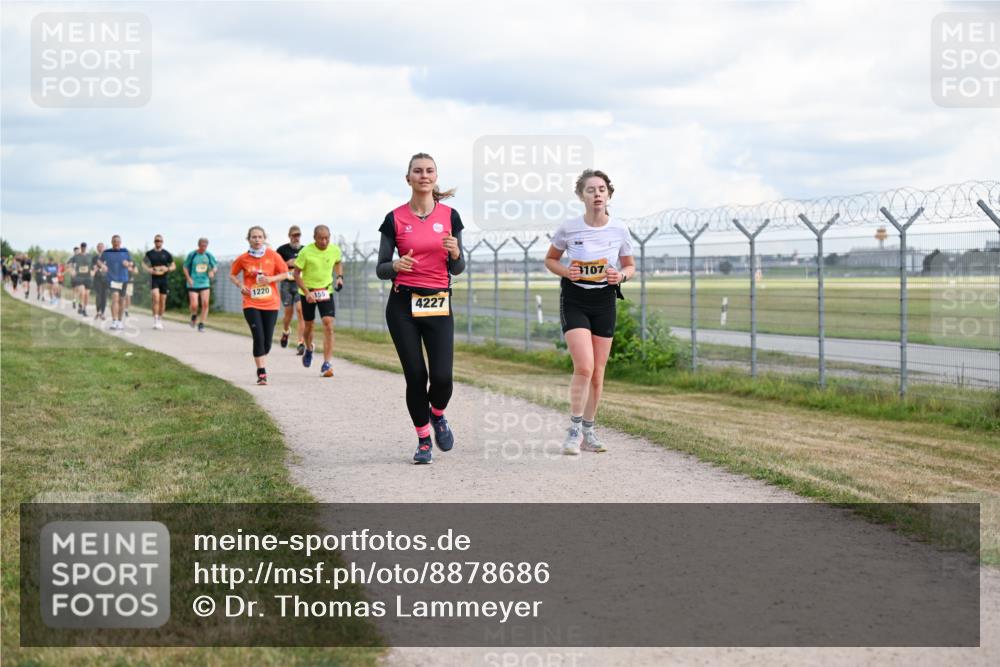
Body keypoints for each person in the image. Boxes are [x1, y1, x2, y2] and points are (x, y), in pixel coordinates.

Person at [375, 152, 465, 464]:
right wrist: (396, 264)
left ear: (435, 177)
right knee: (416, 375)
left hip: (438, 302)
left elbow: (459, 268)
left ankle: (437, 414)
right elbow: (381, 269)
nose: (424, 175)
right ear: (408, 178)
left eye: (429, 171)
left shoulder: (450, 217)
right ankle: (424, 439)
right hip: (403, 305)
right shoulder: (394, 218)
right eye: (418, 171)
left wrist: (455, 254)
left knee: (442, 378)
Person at [544, 169, 636, 456]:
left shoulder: (619, 229)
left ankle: (589, 430)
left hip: (604, 301)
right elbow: (550, 259)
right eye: (590, 190)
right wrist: (566, 271)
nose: (596, 194)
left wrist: (620, 277)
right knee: (584, 366)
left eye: (601, 189)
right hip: (575, 299)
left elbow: (630, 266)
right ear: (581, 196)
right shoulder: (570, 228)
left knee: (598, 373)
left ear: (609, 194)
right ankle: (572, 431)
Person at [229, 226, 289, 385]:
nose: (257, 240)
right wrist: (240, 285)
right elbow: (232, 275)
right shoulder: (243, 258)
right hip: (251, 303)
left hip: (271, 303)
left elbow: (285, 273)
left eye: (259, 237)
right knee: (258, 337)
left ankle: (261, 356)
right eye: (253, 237)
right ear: (248, 239)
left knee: (267, 343)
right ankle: (261, 373)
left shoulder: (273, 255)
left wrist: (271, 280)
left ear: (264, 238)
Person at [292, 225, 343, 377]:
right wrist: (307, 293)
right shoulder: (306, 252)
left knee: (328, 324)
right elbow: (296, 274)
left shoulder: (334, 249)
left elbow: (338, 262)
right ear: (314, 238)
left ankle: (327, 363)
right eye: (321, 238)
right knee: (309, 326)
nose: (324, 241)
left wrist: (340, 277)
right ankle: (308, 349)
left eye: (327, 238)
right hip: (308, 292)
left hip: (326, 290)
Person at [276, 225, 306, 354]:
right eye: (294, 235)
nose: (296, 237)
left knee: (300, 311)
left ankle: (301, 343)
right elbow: (275, 265)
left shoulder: (305, 250)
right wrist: (285, 264)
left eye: (298, 235)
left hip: (300, 283)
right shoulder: (282, 250)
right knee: (289, 314)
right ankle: (286, 331)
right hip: (286, 284)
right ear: (289, 236)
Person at [100, 235, 135, 330]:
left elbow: (132, 263)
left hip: (123, 279)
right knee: (115, 297)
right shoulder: (107, 252)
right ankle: (114, 321)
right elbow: (100, 261)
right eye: (114, 241)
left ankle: (119, 321)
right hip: (112, 279)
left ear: (120, 242)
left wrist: (128, 264)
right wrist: (103, 265)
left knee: (122, 300)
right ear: (111, 242)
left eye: (118, 241)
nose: (116, 243)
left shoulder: (125, 251)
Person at [183, 238, 217, 332]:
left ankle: (201, 324)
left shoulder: (208, 255)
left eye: (205, 246)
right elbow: (185, 267)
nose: (203, 248)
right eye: (202, 246)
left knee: (205, 304)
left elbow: (215, 266)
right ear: (198, 245)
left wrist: (212, 272)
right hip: (193, 283)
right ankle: (194, 315)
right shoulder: (192, 254)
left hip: (204, 282)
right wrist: (188, 278)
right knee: (194, 305)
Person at [143, 235, 174, 330]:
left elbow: (174, 266)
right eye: (156, 241)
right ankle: (155, 320)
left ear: (162, 242)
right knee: (156, 298)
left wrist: (167, 268)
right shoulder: (149, 253)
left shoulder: (167, 254)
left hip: (164, 279)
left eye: (160, 241)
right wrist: (149, 269)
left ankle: (160, 319)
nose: (158, 242)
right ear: (154, 242)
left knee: (163, 301)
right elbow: (143, 263)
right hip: (154, 279)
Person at [68, 243, 94, 316]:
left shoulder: (90, 256)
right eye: (82, 247)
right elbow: (68, 264)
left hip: (88, 277)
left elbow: (94, 265)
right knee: (82, 292)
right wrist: (71, 271)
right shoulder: (76, 256)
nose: (83, 248)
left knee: (87, 294)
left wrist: (93, 271)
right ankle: (81, 306)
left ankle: (84, 308)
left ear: (86, 247)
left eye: (84, 247)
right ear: (81, 247)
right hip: (79, 277)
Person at [91, 242, 109, 320]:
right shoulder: (95, 258)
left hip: (106, 279)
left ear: (104, 248)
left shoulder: (108, 257)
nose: (101, 248)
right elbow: (93, 267)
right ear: (97, 248)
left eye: (102, 246)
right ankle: (98, 312)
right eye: (99, 247)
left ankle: (103, 313)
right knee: (98, 295)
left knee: (104, 296)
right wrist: (95, 269)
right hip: (97, 278)